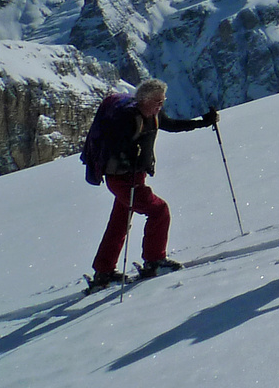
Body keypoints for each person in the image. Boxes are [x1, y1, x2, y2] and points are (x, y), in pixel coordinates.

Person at [88, 79, 217, 288]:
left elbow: (173, 125)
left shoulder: (153, 115)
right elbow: (115, 147)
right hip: (123, 179)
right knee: (159, 210)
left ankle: (103, 272)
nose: (161, 105)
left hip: (131, 177)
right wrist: (129, 156)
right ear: (145, 100)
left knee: (119, 221)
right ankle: (154, 261)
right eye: (158, 101)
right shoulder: (128, 119)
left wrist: (203, 121)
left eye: (163, 100)